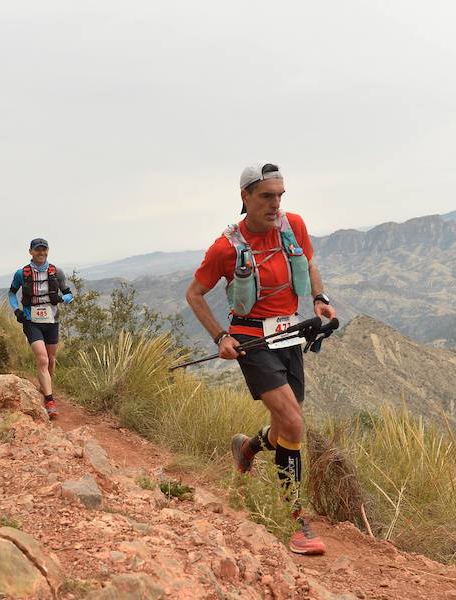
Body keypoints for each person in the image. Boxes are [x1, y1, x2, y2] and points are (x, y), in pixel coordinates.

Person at [185, 163, 337, 555]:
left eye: (280, 195)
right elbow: (194, 294)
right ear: (246, 198)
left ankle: (248, 448)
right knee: (292, 420)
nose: (276, 204)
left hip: (290, 334)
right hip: (251, 338)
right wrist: (221, 335)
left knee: (287, 427)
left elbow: (309, 262)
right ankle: (297, 521)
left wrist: (319, 299)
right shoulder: (225, 247)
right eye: (267, 196)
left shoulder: (293, 226)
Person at [8, 237, 74, 419]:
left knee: (52, 360)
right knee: (43, 359)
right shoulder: (21, 273)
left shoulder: (56, 272)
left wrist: (63, 299)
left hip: (52, 321)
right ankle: (50, 400)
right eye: (37, 249)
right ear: (30, 251)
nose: (41, 253)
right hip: (31, 321)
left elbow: (69, 294)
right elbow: (12, 293)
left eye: (44, 249)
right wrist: (17, 311)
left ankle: (45, 388)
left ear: (48, 251)